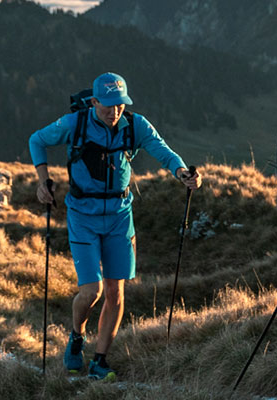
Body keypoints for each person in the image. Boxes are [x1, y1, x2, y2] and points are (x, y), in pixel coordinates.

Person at [28, 72, 202, 381]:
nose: (114, 111)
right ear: (94, 101)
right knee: (91, 292)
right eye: (108, 105)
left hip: (120, 216)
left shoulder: (135, 125)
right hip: (82, 215)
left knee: (115, 292)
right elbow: (37, 140)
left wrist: (182, 172)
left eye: (120, 104)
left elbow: (162, 150)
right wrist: (43, 181)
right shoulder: (75, 124)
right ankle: (77, 336)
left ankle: (100, 360)